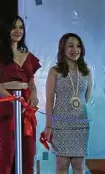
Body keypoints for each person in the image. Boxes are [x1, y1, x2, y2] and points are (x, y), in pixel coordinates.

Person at [0, 15, 41, 174]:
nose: (18, 31)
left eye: (21, 27)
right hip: (7, 105)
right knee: (7, 153)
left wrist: (33, 94)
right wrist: (13, 101)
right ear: (7, 30)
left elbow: (31, 82)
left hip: (26, 107)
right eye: (14, 27)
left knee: (29, 152)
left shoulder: (28, 55)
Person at [42, 33, 92, 174]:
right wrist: (48, 125)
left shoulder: (86, 72)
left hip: (80, 124)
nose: (74, 49)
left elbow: (85, 98)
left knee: (79, 166)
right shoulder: (55, 71)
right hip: (61, 124)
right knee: (62, 165)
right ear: (63, 49)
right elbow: (50, 100)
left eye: (78, 46)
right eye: (70, 46)